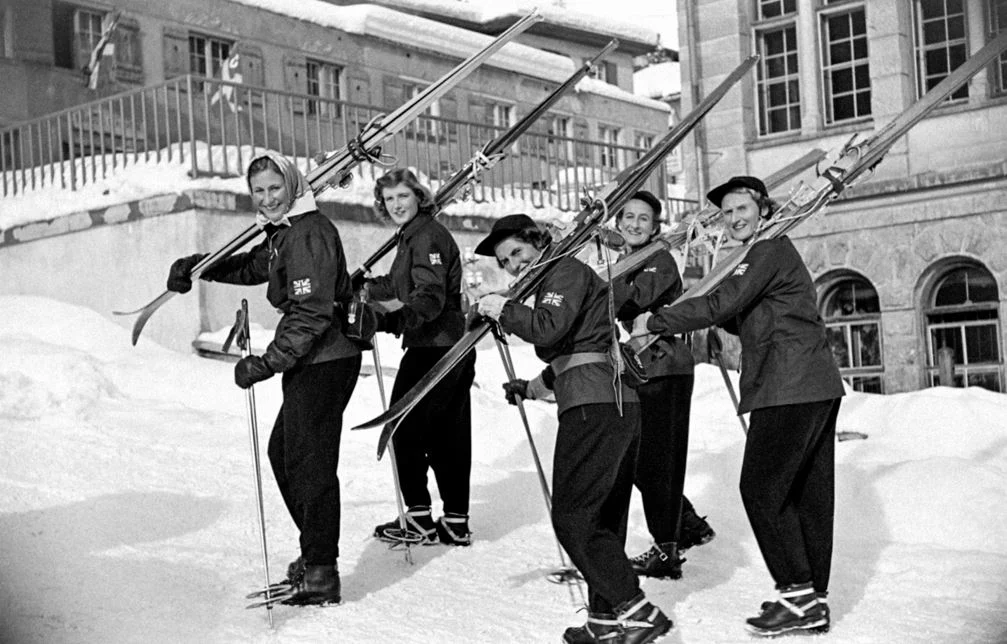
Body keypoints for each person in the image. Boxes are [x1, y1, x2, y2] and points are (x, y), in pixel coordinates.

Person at [630, 176, 844, 636]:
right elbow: (732, 312)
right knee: (807, 492)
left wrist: (658, 320)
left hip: (790, 383)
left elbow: (722, 302)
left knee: (761, 488)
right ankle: (809, 598)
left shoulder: (766, 250)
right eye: (727, 213)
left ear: (762, 209)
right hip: (811, 382)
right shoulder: (763, 256)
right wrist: (708, 308)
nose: (734, 218)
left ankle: (797, 589)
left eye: (741, 208)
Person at [165, 151, 362, 606]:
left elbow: (312, 313)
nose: (268, 198)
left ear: (292, 185)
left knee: (309, 465)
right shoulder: (284, 234)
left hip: (326, 359)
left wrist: (266, 362)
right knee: (285, 455)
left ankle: (320, 572)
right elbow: (254, 268)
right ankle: (314, 555)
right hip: (310, 361)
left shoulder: (308, 232)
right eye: (259, 191)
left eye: (275, 188)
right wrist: (199, 265)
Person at [476, 214, 671, 644]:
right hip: (612, 402)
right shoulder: (558, 276)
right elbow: (576, 346)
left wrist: (504, 308)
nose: (512, 264)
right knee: (603, 518)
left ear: (538, 242)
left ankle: (637, 611)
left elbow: (550, 327)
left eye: (517, 252)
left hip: (594, 407)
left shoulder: (562, 269)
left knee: (573, 517)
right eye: (506, 260)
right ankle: (605, 621)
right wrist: (530, 387)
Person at [366, 168, 476, 547]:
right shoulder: (412, 237)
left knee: (402, 428)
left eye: (403, 196)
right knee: (447, 433)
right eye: (389, 199)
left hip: (436, 346)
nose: (396, 205)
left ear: (418, 196)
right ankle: (455, 521)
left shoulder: (426, 235)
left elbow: (429, 295)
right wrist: (358, 288)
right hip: (445, 344)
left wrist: (395, 319)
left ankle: (418, 518)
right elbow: (398, 285)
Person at [609, 190, 710, 580]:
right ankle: (685, 525)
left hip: (665, 367)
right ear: (619, 224)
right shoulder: (624, 261)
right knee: (640, 458)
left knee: (659, 459)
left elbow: (632, 302)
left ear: (655, 227)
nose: (635, 224)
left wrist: (597, 283)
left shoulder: (658, 260)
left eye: (643, 219)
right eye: (628, 217)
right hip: (643, 368)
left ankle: (667, 550)